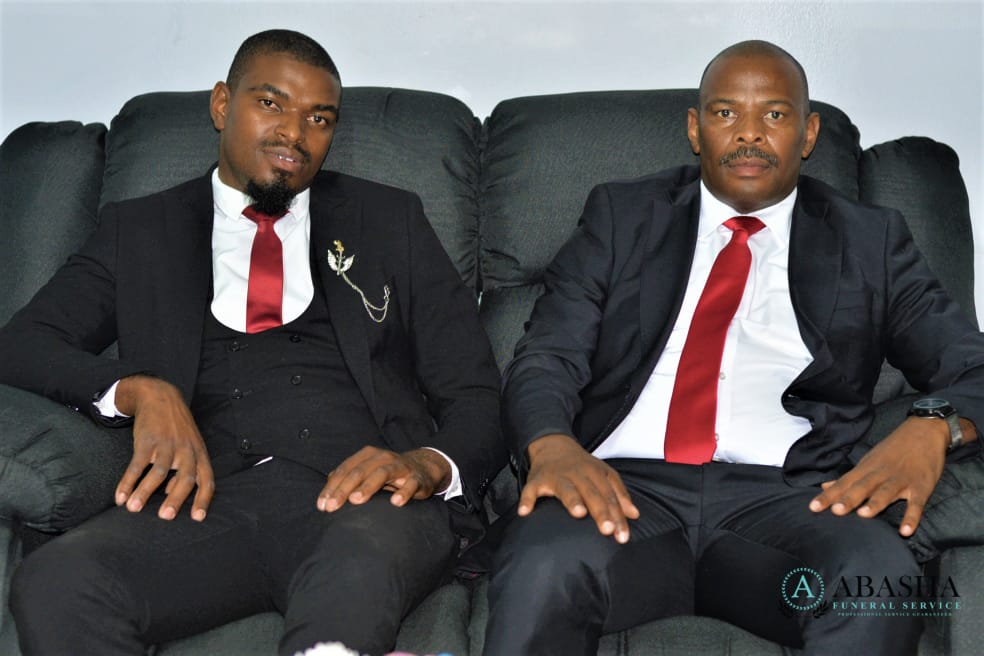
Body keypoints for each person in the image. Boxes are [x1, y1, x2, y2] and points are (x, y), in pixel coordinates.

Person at [0, 29, 504, 656]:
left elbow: (476, 393)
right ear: (222, 105)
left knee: (351, 576)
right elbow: (22, 343)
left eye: (318, 118)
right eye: (271, 103)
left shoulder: (388, 220)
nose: (295, 133)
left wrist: (426, 465)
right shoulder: (141, 231)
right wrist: (138, 391)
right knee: (58, 581)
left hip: (369, 504)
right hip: (208, 504)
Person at [484, 40, 984, 655]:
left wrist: (935, 424)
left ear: (808, 133)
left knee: (874, 583)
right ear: (696, 129)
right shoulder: (622, 216)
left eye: (774, 114)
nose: (750, 134)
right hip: (621, 489)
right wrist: (550, 444)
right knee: (543, 567)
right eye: (726, 113)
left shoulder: (870, 241)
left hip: (792, 502)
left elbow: (971, 364)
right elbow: (547, 354)